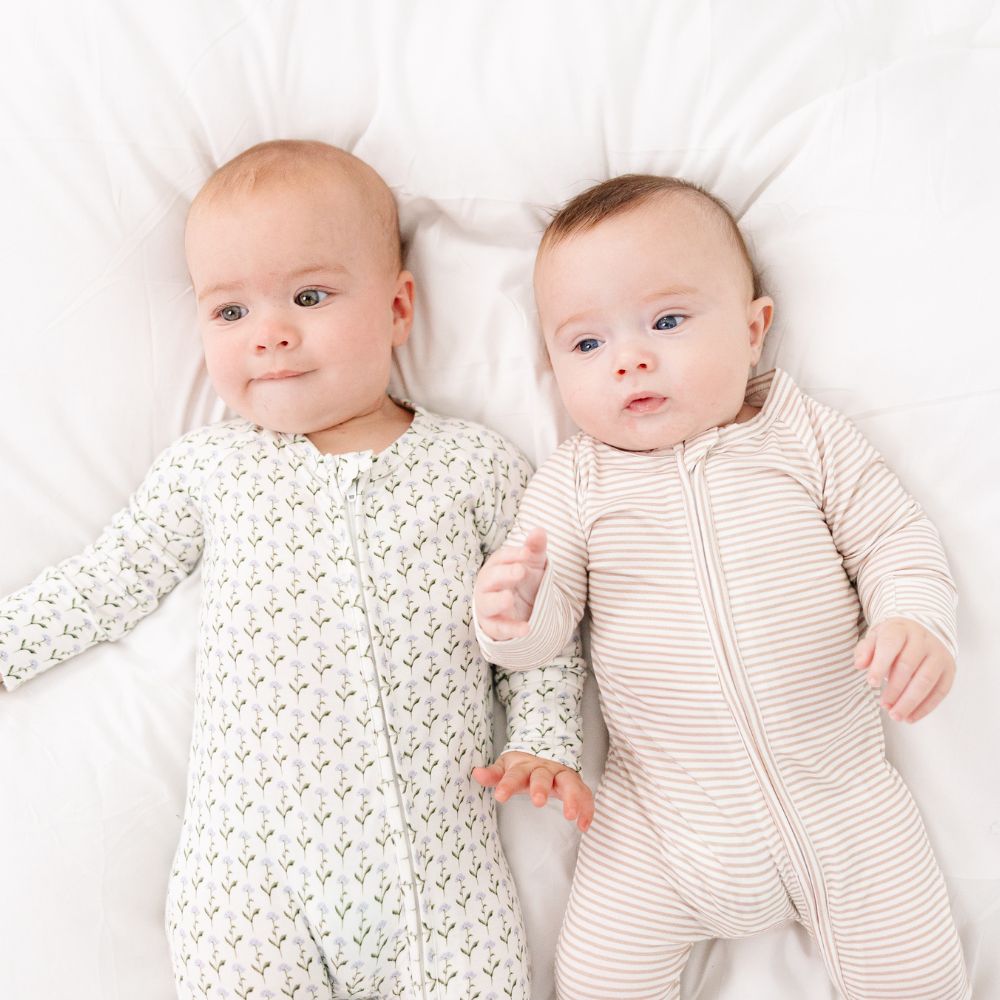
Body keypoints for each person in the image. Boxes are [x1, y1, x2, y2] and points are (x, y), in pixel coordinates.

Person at [0, 139, 593, 1000]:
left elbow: (541, 632)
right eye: (229, 312)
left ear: (398, 308)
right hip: (248, 876)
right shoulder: (209, 468)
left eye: (309, 297)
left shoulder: (476, 466)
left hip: (437, 873)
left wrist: (544, 739)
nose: (271, 333)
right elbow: (103, 585)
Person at [473, 174, 971, 1000]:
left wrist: (916, 618)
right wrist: (511, 612)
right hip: (660, 822)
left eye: (667, 322)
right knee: (597, 975)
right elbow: (545, 629)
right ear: (551, 364)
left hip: (845, 805)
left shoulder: (802, 434)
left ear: (753, 329)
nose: (630, 357)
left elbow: (893, 538)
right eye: (586, 344)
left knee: (917, 978)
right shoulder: (574, 482)